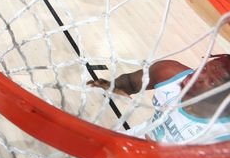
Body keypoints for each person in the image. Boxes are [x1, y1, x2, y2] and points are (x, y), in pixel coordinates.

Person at [88, 54, 230, 143]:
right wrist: (113, 86)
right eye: (204, 69)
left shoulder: (224, 135)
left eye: (211, 82)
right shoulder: (169, 72)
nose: (198, 76)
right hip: (132, 141)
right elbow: (130, 82)